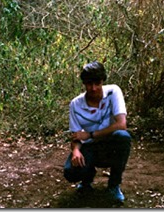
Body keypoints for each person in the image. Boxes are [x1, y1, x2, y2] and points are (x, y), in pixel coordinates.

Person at [63, 61, 131, 202]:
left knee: (123, 137)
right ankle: (87, 180)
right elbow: (76, 136)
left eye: (97, 83)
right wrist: (75, 150)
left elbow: (121, 124)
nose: (93, 88)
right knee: (70, 172)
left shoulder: (113, 92)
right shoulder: (76, 104)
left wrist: (91, 134)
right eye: (89, 84)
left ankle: (114, 185)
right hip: (90, 147)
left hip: (110, 145)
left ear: (102, 82)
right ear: (84, 84)